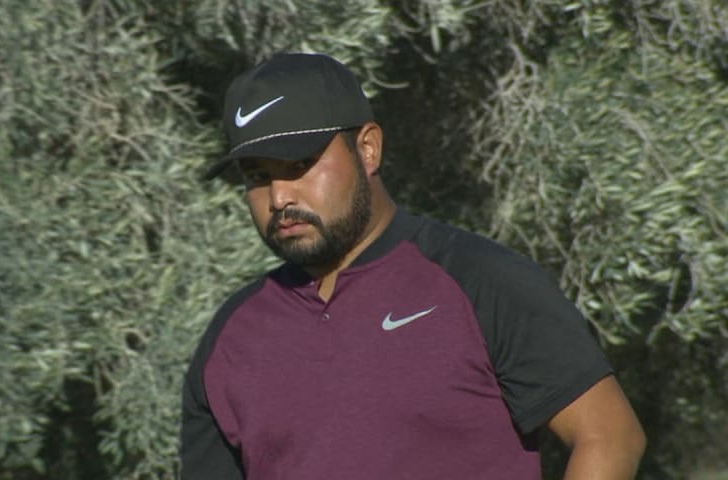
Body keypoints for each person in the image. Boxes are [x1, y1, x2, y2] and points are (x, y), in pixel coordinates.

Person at [180, 52, 646, 479]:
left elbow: (608, 437)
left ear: (367, 149)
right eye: (257, 177)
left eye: (300, 164)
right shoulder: (231, 338)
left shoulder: (481, 281)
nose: (280, 197)